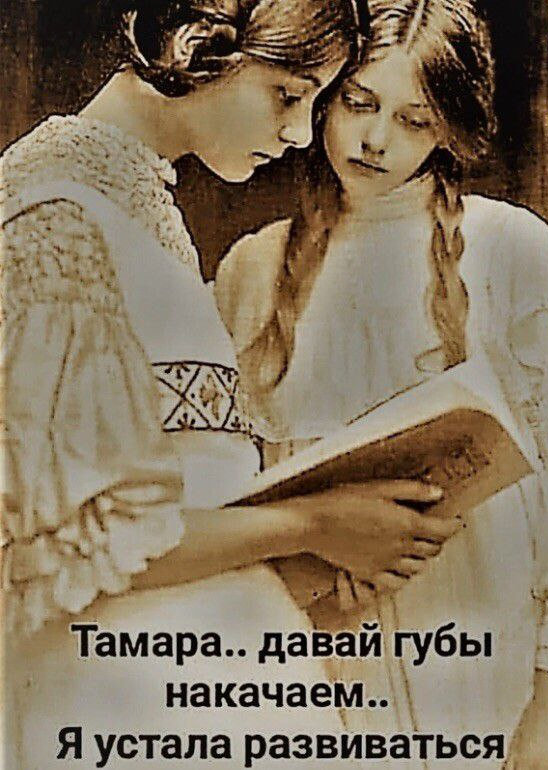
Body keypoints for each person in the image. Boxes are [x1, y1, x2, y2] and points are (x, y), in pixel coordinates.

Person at [0, 2, 460, 766]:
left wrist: (313, 563)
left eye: (315, 102)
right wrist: (313, 523)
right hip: (116, 705)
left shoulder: (137, 205)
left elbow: (181, 498)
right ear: (195, 46)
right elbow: (59, 544)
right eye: (288, 95)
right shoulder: (54, 215)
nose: (301, 133)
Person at [215, 0, 548, 767]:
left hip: (499, 652)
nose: (376, 140)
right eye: (360, 104)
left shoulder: (503, 247)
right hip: (331, 664)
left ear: (447, 129)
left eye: (414, 120)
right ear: (322, 97)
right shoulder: (252, 269)